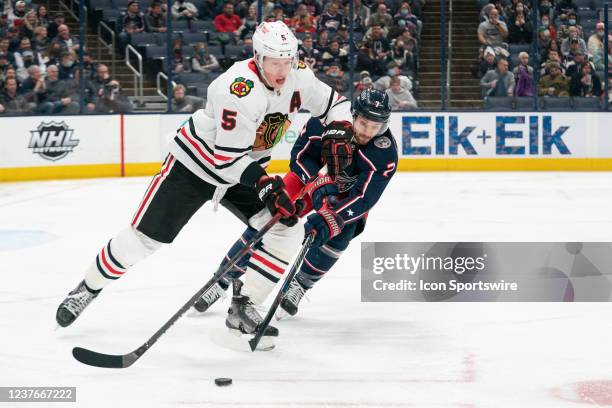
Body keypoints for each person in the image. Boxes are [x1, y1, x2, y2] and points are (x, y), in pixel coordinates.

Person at [55, 22, 353, 346]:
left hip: (246, 170)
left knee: (286, 228)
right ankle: (87, 287)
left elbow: (335, 102)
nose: (282, 69)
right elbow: (226, 159)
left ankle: (244, 306)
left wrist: (341, 127)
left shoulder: (299, 76)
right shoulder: (237, 89)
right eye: (274, 62)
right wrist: (267, 185)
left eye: (287, 60)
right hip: (195, 166)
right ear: (257, 57)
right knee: (142, 241)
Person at [192, 89, 398, 328]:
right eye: (364, 123)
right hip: (308, 180)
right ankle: (222, 279)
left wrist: (332, 218)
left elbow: (364, 198)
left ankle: (299, 284)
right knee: (270, 218)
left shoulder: (385, 152)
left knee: (341, 234)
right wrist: (310, 177)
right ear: (353, 114)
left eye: (376, 126)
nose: (368, 131)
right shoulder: (327, 119)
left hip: (343, 194)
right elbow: (300, 154)